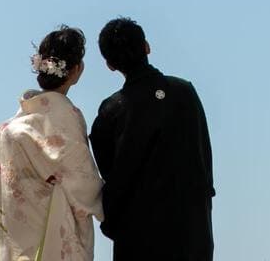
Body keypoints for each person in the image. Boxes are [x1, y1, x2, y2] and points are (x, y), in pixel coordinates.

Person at [89, 17, 214, 261]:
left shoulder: (111, 111)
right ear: (147, 46)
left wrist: (112, 224)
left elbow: (110, 177)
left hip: (137, 237)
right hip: (191, 231)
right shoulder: (185, 91)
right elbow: (203, 159)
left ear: (110, 64)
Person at [0, 26, 104, 261]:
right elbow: (83, 185)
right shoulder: (65, 118)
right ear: (77, 70)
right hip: (50, 243)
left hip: (11, 244)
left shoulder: (1, 132)